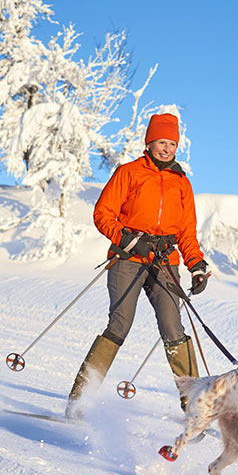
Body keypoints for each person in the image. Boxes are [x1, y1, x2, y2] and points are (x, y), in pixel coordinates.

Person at [65, 112, 209, 419]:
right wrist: (130, 241)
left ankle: (195, 409)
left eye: (172, 143)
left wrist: (196, 264)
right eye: (161, 142)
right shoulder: (129, 173)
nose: (167, 149)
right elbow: (103, 214)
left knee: (174, 329)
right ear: (150, 142)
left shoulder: (181, 183)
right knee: (120, 324)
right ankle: (80, 400)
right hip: (128, 259)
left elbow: (187, 231)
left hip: (165, 261)